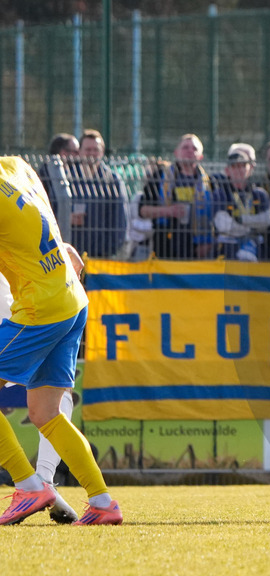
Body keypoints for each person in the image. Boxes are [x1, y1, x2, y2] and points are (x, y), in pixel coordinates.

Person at [0, 156, 122, 525]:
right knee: (46, 413)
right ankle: (102, 503)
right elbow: (40, 218)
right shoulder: (16, 166)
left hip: (41, 307)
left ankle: (30, 486)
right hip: (71, 297)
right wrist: (61, 246)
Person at [0, 271, 79, 524]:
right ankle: (45, 481)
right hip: (48, 301)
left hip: (24, 307)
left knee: (51, 398)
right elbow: (73, 259)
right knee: (55, 395)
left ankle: (33, 486)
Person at [139, 134, 216, 259]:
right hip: (164, 247)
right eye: (185, 147)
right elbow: (143, 211)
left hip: (197, 251)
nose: (190, 151)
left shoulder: (209, 183)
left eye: (195, 149)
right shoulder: (161, 177)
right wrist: (168, 211)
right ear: (176, 153)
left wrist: (207, 244)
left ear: (201, 156)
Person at [68, 129, 130, 259]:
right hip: (70, 254)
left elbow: (120, 219)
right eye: (88, 149)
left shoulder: (112, 181)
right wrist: (67, 218)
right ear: (80, 152)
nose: (92, 153)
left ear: (102, 152)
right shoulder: (66, 178)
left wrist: (108, 248)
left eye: (95, 149)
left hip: (101, 256)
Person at [213, 143, 270, 261]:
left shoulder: (260, 194)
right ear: (227, 171)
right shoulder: (220, 194)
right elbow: (223, 225)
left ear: (250, 169)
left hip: (255, 246)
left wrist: (242, 220)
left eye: (243, 165)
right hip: (228, 247)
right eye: (234, 166)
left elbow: (267, 220)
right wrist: (252, 227)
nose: (239, 170)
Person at [36, 133, 80, 201]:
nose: (78, 155)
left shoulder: (76, 171)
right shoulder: (45, 173)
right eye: (76, 152)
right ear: (63, 152)